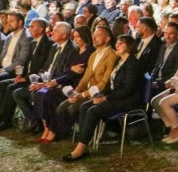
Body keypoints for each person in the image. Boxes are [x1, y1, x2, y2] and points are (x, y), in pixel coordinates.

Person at [61, 34, 145, 162]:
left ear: (129, 46)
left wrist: (105, 98)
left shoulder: (133, 64)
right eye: (116, 42)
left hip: (129, 100)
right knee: (84, 106)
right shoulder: (119, 61)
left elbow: (128, 89)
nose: (116, 45)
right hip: (115, 97)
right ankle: (84, 143)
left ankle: (80, 149)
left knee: (93, 110)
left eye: (120, 43)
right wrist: (99, 95)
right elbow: (110, 85)